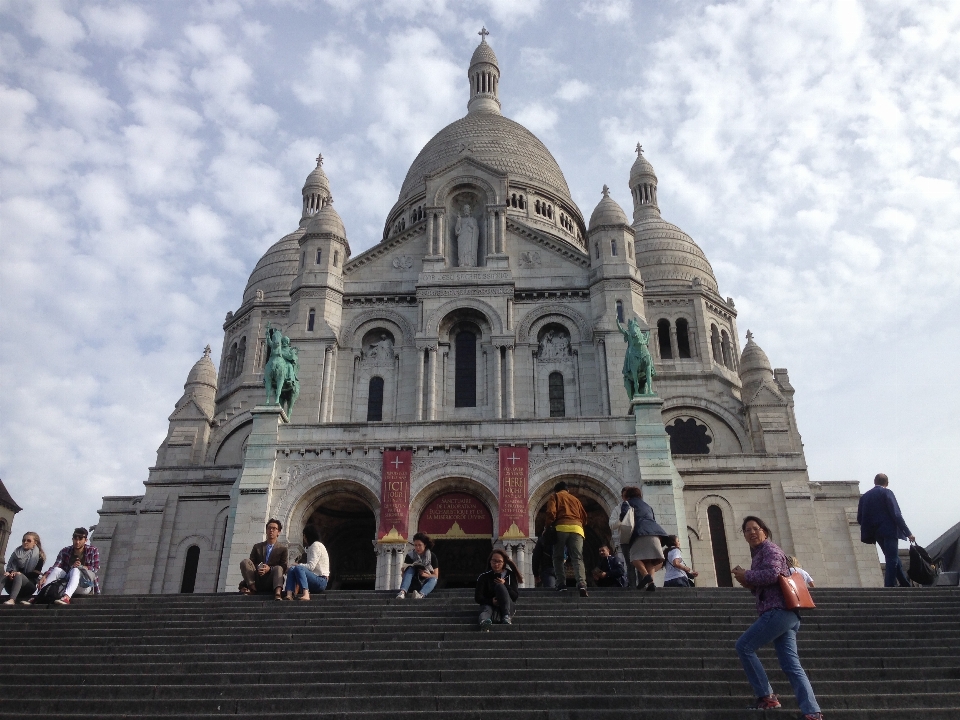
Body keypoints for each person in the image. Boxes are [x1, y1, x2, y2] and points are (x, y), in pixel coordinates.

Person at [732, 516, 823, 720]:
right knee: (791, 665)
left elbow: (773, 573)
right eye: (747, 530)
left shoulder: (770, 550)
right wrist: (750, 584)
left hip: (778, 611)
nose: (752, 532)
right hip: (785, 614)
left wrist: (747, 576)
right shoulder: (758, 554)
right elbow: (768, 582)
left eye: (756, 528)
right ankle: (812, 712)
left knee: (744, 646)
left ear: (764, 531)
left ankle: (767, 696)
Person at [857, 473, 915, 587]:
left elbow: (860, 518)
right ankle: (889, 586)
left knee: (892, 556)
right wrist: (908, 533)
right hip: (889, 531)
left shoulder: (865, 497)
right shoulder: (887, 492)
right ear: (886, 483)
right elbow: (896, 514)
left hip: (876, 533)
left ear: (875, 482)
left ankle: (905, 584)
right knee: (892, 558)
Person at [30, 527, 99, 605]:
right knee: (56, 570)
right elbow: (56, 565)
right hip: (67, 583)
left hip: (84, 585)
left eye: (80, 539)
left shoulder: (93, 550)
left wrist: (82, 567)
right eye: (75, 539)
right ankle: (37, 596)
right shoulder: (65, 551)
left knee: (75, 570)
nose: (77, 541)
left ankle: (66, 598)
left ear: (85, 540)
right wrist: (45, 576)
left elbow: (95, 568)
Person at [544, 482, 589, 597]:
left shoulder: (555, 496)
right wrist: (578, 524)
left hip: (561, 527)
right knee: (577, 557)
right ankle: (581, 583)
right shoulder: (576, 499)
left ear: (556, 490)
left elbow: (551, 512)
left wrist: (548, 526)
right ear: (567, 490)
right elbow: (584, 517)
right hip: (577, 529)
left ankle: (561, 584)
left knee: (558, 557)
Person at [620, 486, 667, 591]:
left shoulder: (627, 503)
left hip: (640, 532)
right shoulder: (647, 506)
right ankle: (651, 584)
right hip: (655, 533)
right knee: (649, 560)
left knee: (634, 558)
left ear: (627, 495)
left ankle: (646, 576)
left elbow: (624, 517)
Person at [239, 518, 289, 600]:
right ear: (266, 530)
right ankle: (252, 588)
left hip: (272, 579)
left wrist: (269, 569)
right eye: (269, 528)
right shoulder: (257, 547)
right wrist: (259, 568)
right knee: (245, 562)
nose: (271, 530)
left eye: (274, 528)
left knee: (278, 568)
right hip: (257, 578)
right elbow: (251, 562)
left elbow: (284, 566)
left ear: (278, 532)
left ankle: (277, 593)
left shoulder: (283, 549)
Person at [475, 548, 521, 629]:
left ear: (504, 563)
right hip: (490, 604)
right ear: (490, 561)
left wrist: (505, 584)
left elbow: (515, 596)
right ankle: (484, 622)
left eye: (499, 561)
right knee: (486, 609)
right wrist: (491, 601)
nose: (496, 564)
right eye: (494, 561)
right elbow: (478, 597)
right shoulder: (484, 576)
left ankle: (506, 616)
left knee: (500, 586)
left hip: (508, 606)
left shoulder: (510, 575)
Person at [284, 524, 329, 601]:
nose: (304, 538)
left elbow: (311, 566)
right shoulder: (312, 547)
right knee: (292, 569)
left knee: (298, 568)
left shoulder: (316, 545)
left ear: (307, 535)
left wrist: (298, 565)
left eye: (304, 535)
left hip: (320, 580)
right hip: (313, 579)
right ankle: (289, 594)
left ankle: (306, 594)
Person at [3, 532, 45, 604]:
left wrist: (18, 574)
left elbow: (35, 574)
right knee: (4, 575)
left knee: (19, 575)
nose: (25, 542)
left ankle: (12, 600)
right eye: (23, 540)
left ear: (35, 543)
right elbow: (10, 568)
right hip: (12, 584)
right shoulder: (16, 553)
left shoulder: (38, 556)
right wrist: (10, 573)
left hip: (28, 585)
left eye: (29, 540)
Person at [396, 532, 439, 599]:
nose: (417, 547)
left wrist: (427, 575)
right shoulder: (409, 556)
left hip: (425, 582)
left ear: (425, 545)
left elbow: (436, 575)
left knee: (434, 579)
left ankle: (421, 595)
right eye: (415, 545)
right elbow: (404, 575)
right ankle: (402, 592)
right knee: (410, 568)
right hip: (413, 582)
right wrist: (403, 572)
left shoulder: (432, 556)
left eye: (419, 545)